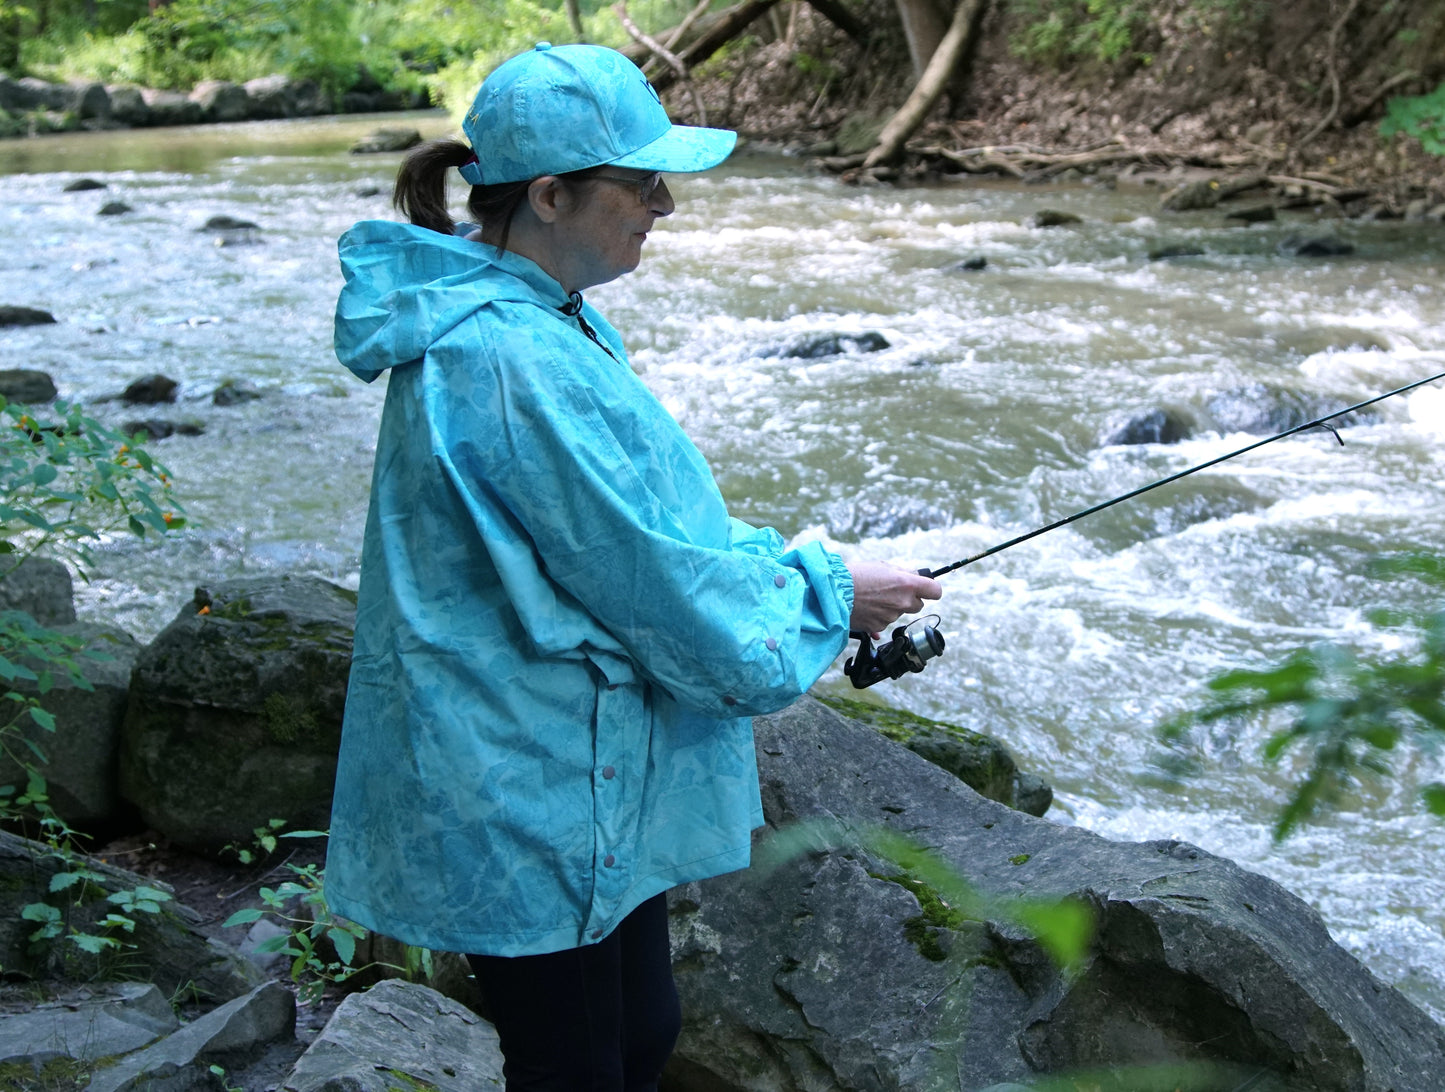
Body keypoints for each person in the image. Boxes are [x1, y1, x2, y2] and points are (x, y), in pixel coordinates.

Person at [324, 41, 942, 1090]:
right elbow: (650, 576)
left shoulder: (542, 317)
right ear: (554, 196)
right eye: (640, 181)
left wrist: (810, 583)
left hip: (574, 758)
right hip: (523, 774)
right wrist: (832, 594)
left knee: (640, 1031)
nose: (664, 202)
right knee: (577, 1064)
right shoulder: (508, 355)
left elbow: (651, 534)